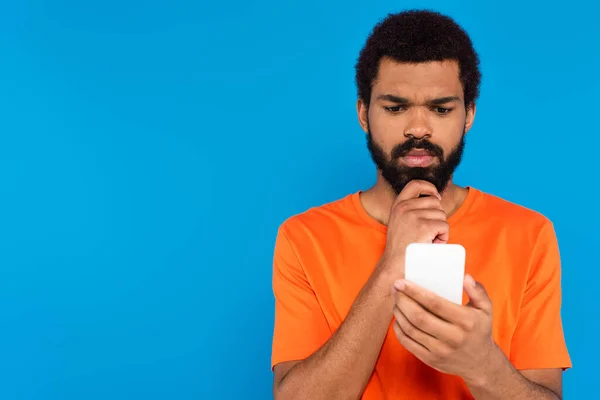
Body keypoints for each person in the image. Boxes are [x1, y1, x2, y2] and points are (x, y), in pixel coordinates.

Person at [270, 9, 571, 400]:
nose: (417, 128)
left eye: (441, 109)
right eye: (395, 108)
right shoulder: (303, 238)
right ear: (364, 113)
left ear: (469, 115)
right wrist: (393, 261)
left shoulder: (529, 234)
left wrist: (482, 365)